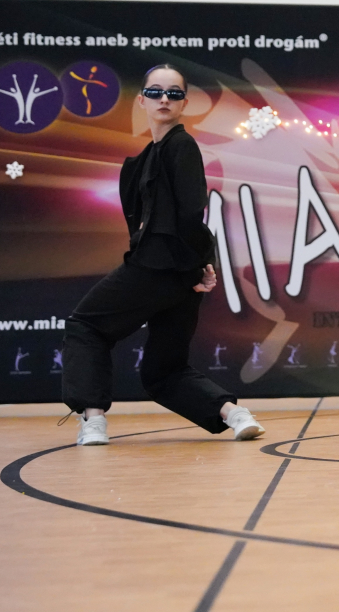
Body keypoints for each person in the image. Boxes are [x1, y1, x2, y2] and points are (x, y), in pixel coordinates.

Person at [61, 64, 265, 446]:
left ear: (184, 102)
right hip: (178, 274)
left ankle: (93, 420)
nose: (164, 99)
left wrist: (199, 266)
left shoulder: (181, 146)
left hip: (157, 267)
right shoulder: (149, 156)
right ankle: (236, 415)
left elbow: (192, 212)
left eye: (174, 93)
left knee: (85, 326)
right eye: (155, 92)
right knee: (163, 372)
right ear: (142, 100)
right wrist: (198, 269)